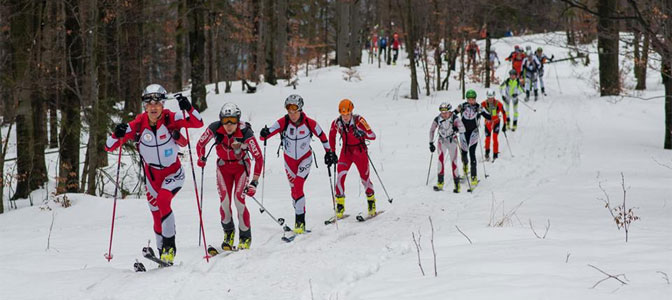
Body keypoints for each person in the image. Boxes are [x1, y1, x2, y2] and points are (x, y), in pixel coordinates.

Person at [104, 84, 203, 265]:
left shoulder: (171, 118)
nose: (153, 107)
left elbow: (198, 122)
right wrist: (116, 133)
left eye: (157, 103)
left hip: (173, 173)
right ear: (145, 106)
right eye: (149, 103)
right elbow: (109, 146)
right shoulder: (138, 124)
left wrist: (188, 106)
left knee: (164, 200)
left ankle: (169, 249)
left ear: (163, 104)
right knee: (156, 214)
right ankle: (161, 254)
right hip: (152, 177)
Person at [259, 95, 334, 234]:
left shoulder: (310, 123)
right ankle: (300, 214)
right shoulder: (283, 122)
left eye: (295, 111)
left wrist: (329, 152)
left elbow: (322, 136)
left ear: (300, 109)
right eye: (289, 112)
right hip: (289, 162)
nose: (292, 115)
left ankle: (300, 222)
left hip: (305, 159)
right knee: (294, 191)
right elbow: (265, 134)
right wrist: (264, 133)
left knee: (298, 186)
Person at [196, 103, 263, 250]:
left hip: (241, 167)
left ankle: (245, 237)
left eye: (232, 120)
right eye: (225, 120)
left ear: (238, 120)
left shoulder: (245, 132)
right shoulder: (215, 128)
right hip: (223, 167)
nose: (229, 125)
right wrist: (201, 157)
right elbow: (200, 144)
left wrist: (254, 182)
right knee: (225, 202)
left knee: (239, 200)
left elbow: (258, 157)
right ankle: (228, 234)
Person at [329, 99, 377, 218]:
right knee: (340, 177)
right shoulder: (337, 123)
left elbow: (373, 136)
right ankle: (340, 206)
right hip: (346, 152)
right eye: (343, 114)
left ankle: (371, 202)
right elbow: (331, 136)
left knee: (364, 178)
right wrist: (332, 152)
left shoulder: (359, 120)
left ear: (351, 112)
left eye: (347, 114)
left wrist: (362, 133)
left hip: (360, 152)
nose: (345, 117)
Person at [456, 89, 490, 187]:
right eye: (469, 99)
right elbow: (453, 114)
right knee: (464, 153)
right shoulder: (462, 106)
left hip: (474, 133)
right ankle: (465, 168)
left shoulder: (479, 107)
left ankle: (474, 176)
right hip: (463, 132)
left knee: (472, 153)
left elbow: (488, 116)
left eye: (473, 99)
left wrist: (492, 116)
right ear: (467, 99)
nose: (471, 101)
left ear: (475, 99)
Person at [429, 102, 465, 193]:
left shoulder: (455, 118)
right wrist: (431, 143)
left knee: (454, 162)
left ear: (450, 111)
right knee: (440, 161)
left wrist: (457, 129)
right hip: (442, 141)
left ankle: (457, 185)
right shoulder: (437, 119)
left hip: (452, 141)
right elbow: (432, 130)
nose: (444, 114)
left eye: (446, 112)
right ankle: (440, 183)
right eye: (442, 112)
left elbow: (462, 129)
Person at [481, 89, 507, 161]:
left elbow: (504, 113)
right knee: (487, 139)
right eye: (489, 98)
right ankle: (487, 153)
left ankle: (495, 154)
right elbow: (478, 111)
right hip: (488, 123)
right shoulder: (483, 104)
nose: (490, 99)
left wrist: (505, 124)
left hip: (496, 122)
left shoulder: (498, 103)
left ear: (494, 97)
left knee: (495, 138)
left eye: (491, 98)